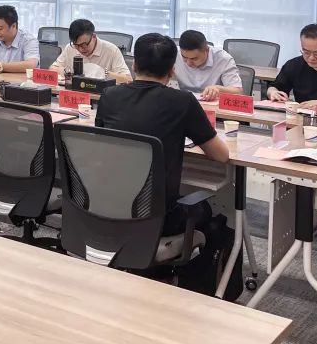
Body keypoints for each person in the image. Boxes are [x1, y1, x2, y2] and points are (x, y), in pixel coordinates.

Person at [95, 34, 229, 234]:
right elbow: (221, 155)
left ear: (134, 65)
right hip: (159, 217)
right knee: (206, 210)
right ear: (173, 71)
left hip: (106, 207)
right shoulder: (183, 101)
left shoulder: (109, 95)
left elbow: (100, 142)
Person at [49, 19, 131, 82]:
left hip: (101, 95)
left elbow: (128, 79)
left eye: (84, 44)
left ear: (94, 37)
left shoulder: (111, 50)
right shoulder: (70, 48)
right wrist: (67, 72)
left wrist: (104, 73)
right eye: (77, 45)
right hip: (76, 92)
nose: (80, 49)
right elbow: (52, 69)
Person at [173, 30, 243, 100]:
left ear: (206, 50)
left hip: (212, 102)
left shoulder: (223, 59)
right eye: (184, 57)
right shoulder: (174, 54)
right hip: (184, 101)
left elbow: (238, 92)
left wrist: (218, 88)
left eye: (194, 59)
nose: (188, 63)